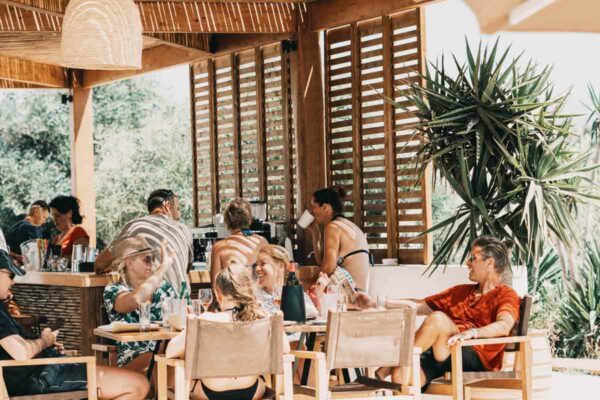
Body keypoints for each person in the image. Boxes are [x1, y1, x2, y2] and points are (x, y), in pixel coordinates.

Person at [366, 237, 520, 389]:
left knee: (438, 320)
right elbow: (418, 305)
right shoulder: (460, 292)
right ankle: (387, 372)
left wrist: (472, 333)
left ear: (490, 262)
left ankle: (381, 371)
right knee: (400, 377)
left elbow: (504, 325)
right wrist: (376, 302)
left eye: (473, 258)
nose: (467, 263)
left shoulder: (506, 294)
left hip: (474, 354)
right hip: (443, 351)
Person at [0, 249, 149, 399]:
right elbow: (21, 352)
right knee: (138, 385)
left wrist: (45, 344)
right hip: (40, 377)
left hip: (42, 372)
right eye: (10, 275)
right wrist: (45, 341)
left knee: (138, 376)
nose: (13, 281)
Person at [166, 261, 289, 400]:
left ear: (218, 294)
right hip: (252, 392)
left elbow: (170, 352)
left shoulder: (205, 320)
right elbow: (285, 348)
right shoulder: (263, 319)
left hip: (209, 394)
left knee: (169, 383)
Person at [95, 189, 193, 299]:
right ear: (167, 205)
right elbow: (187, 270)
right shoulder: (185, 230)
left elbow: (99, 264)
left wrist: (108, 266)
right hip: (182, 305)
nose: (178, 216)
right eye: (177, 209)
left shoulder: (135, 226)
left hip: (150, 305)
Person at [103, 236, 175, 372]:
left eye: (153, 259)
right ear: (129, 263)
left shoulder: (163, 288)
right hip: (134, 359)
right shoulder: (114, 291)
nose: (152, 264)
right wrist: (163, 267)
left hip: (165, 354)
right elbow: (136, 299)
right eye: (147, 259)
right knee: (162, 363)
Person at [305, 187, 371, 290]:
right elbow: (322, 263)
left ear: (325, 208)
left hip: (351, 293)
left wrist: (307, 284)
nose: (311, 211)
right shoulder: (346, 225)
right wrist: (315, 233)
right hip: (360, 291)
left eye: (313, 207)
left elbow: (328, 268)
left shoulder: (333, 227)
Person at [209, 198, 268, 286]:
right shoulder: (262, 242)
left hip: (232, 298)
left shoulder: (219, 248)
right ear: (250, 221)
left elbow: (215, 285)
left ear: (226, 222)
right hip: (259, 298)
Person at [255, 245, 318, 318]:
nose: (257, 268)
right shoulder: (254, 296)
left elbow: (312, 312)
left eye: (263, 263)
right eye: (257, 264)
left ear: (281, 266)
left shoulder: (295, 292)